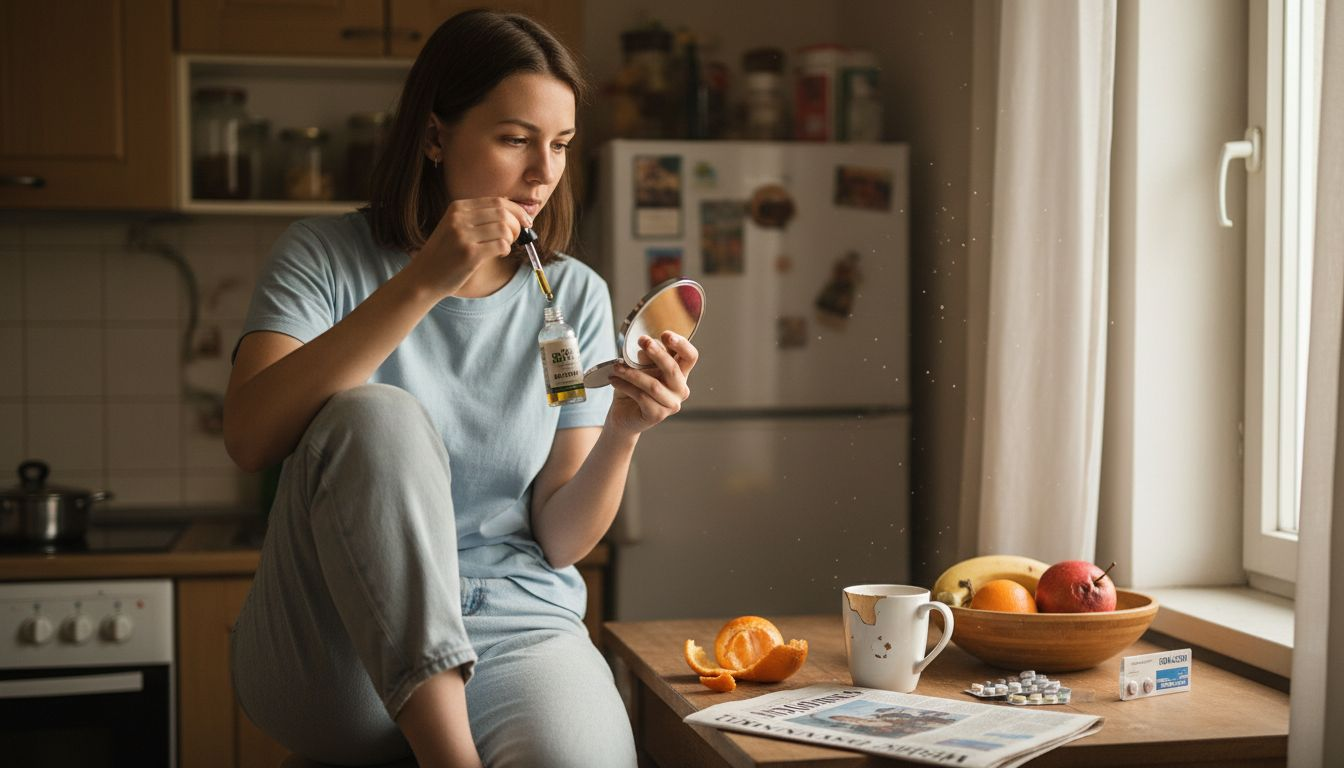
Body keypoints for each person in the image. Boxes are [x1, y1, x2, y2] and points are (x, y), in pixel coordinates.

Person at [224, 10, 697, 767]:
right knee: (377, 417)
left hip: (512, 622)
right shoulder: (322, 256)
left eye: (562, 146)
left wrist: (625, 431)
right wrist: (421, 285)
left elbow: (561, 536)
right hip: (334, 632)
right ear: (437, 136)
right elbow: (249, 439)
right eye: (515, 139)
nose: (544, 171)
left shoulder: (569, 295)